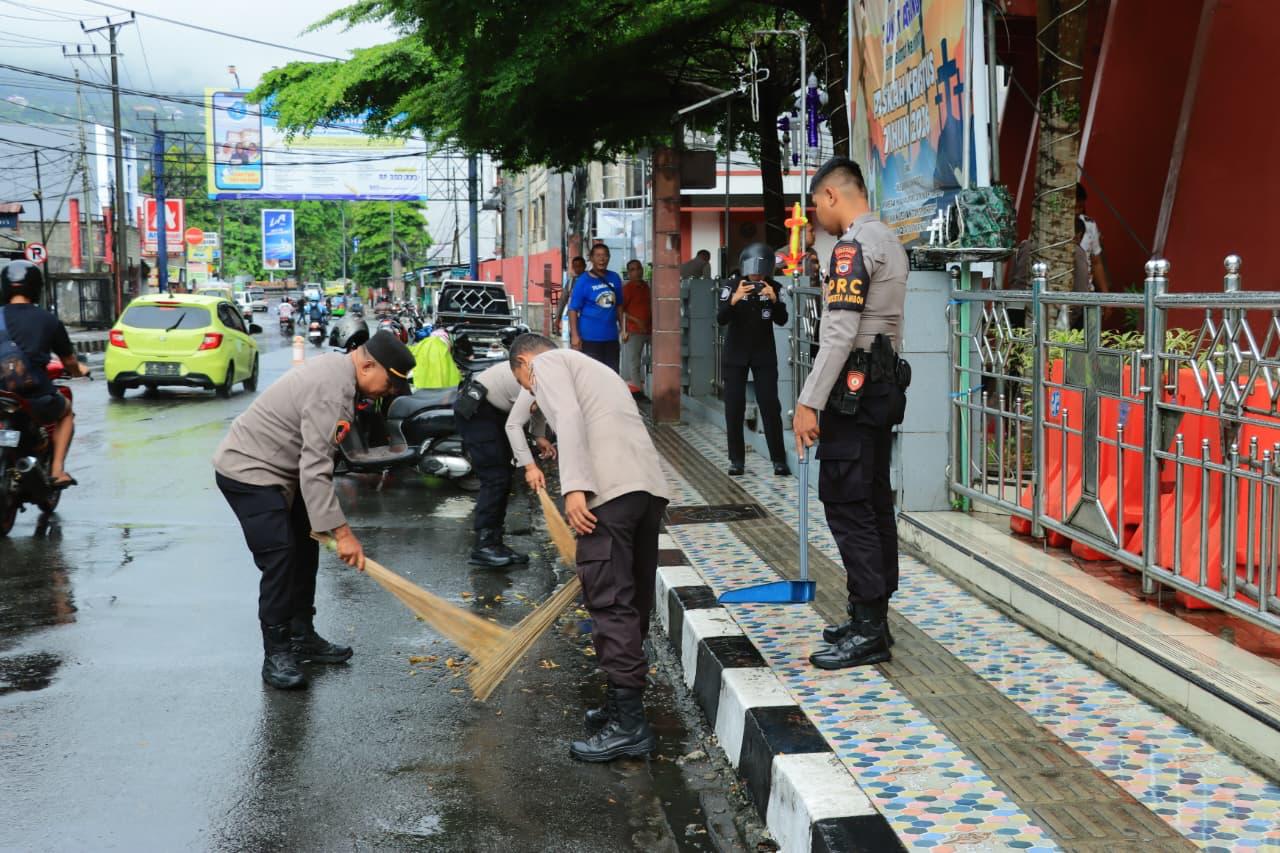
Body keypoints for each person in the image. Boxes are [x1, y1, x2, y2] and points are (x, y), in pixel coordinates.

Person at [213, 330, 416, 690]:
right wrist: (343, 533)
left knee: (305, 548)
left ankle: (301, 634)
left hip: (285, 472)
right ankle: (277, 654)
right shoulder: (333, 390)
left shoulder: (343, 375)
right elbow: (316, 468)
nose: (389, 392)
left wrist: (329, 526)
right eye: (389, 383)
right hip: (249, 471)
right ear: (368, 366)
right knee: (280, 557)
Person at [511, 334, 670, 762]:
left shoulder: (546, 365)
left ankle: (630, 727)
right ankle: (620, 705)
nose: (532, 392)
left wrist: (575, 486)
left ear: (525, 362)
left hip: (608, 495)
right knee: (631, 602)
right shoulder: (596, 369)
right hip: (646, 491)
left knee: (610, 603)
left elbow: (568, 415)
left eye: (526, 384)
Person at [792, 157, 908, 671]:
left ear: (832, 196)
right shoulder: (890, 240)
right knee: (873, 500)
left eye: (816, 204)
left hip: (853, 394)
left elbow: (839, 333)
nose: (816, 215)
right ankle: (870, 615)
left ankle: (868, 630)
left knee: (847, 503)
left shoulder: (852, 247)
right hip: (881, 389)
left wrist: (808, 401)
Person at [454, 360, 554, 567]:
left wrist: (538, 435)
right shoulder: (541, 375)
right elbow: (514, 425)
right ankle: (484, 546)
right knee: (495, 477)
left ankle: (495, 542)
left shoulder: (551, 373)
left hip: (495, 412)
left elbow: (536, 405)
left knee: (504, 475)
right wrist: (530, 467)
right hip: (478, 410)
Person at [0, 260, 90, 488]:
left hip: (2, 395)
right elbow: (69, 361)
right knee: (66, 412)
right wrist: (78, 370)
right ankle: (57, 470)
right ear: (36, 287)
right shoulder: (48, 320)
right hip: (33, 397)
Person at [718, 243, 790, 477]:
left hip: (763, 354)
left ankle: (778, 459)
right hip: (735, 355)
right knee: (734, 408)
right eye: (753, 271)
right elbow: (721, 318)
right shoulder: (732, 285)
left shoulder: (774, 287)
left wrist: (774, 300)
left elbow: (782, 319)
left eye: (761, 272)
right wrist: (735, 299)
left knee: (770, 406)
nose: (757, 276)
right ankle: (736, 460)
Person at [567, 244, 624, 371]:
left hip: (611, 337)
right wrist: (575, 336)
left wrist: (623, 327)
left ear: (609, 258)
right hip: (589, 338)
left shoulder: (615, 278)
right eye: (598, 255)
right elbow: (573, 309)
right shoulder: (583, 281)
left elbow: (619, 305)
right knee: (592, 375)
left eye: (605, 255)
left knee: (612, 374)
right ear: (591, 258)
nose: (602, 259)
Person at [619, 259, 651, 393]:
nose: (637, 272)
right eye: (632, 270)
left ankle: (652, 389)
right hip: (634, 331)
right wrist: (636, 321)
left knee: (656, 360)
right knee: (635, 363)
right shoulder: (627, 289)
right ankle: (638, 392)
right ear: (628, 273)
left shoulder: (646, 287)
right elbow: (620, 310)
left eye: (638, 269)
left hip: (650, 330)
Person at [557, 255, 587, 337]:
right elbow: (562, 300)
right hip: (573, 318)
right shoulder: (571, 282)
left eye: (580, 266)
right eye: (575, 267)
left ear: (585, 266)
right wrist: (558, 318)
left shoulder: (590, 280)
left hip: (587, 318)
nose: (577, 269)